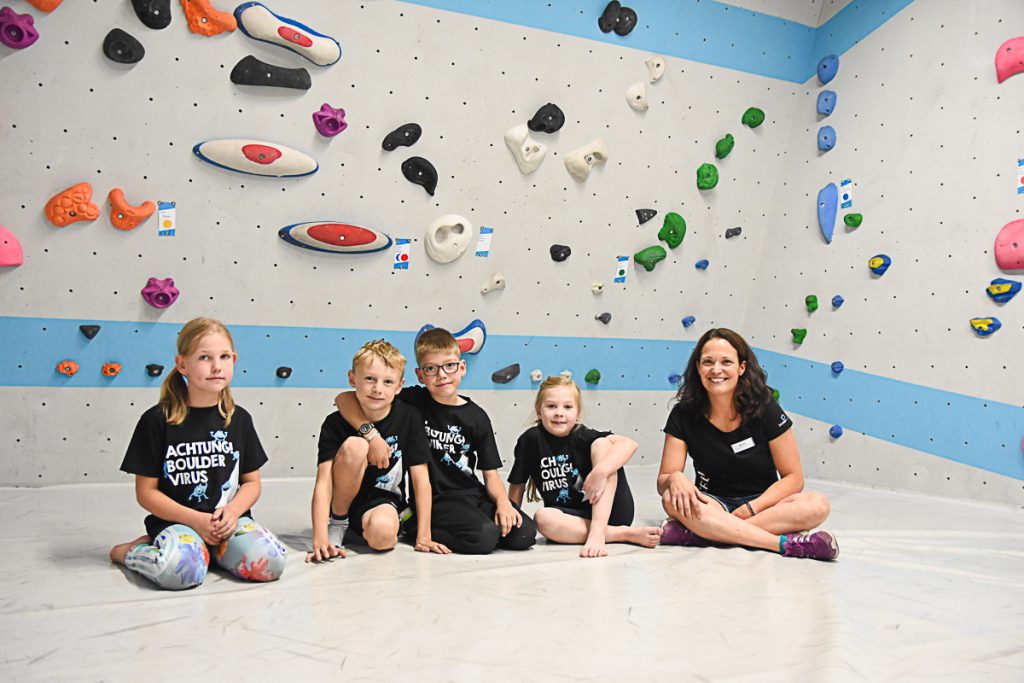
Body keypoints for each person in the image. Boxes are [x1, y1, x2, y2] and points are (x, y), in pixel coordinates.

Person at [110, 317, 287, 589]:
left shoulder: (238, 419)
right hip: (178, 522)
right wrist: (197, 521)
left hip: (227, 522)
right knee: (181, 574)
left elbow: (251, 483)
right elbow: (146, 493)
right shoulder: (157, 421)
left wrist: (232, 512)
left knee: (270, 563)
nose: (217, 366)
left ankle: (213, 551)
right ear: (182, 364)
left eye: (224, 356)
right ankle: (132, 551)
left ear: (234, 360)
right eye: (205, 357)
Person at [333, 328, 536, 554]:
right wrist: (371, 434)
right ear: (420, 376)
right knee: (484, 538)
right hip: (437, 499)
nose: (442, 375)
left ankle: (479, 526)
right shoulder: (413, 401)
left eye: (449, 365)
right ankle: (412, 525)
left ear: (462, 368)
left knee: (525, 533)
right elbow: (344, 398)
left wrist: (503, 503)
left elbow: (490, 474)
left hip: (471, 494)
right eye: (431, 369)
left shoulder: (477, 416)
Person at [657, 327, 839, 560]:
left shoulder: (765, 406)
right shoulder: (683, 413)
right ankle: (783, 545)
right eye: (708, 362)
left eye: (726, 362)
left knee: (817, 505)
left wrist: (752, 508)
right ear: (698, 368)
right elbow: (664, 481)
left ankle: (705, 534)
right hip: (712, 504)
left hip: (765, 505)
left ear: (741, 368)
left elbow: (794, 478)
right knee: (670, 499)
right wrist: (674, 478)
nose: (716, 370)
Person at [307, 339, 448, 562]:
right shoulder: (334, 422)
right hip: (342, 504)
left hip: (383, 502)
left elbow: (421, 479)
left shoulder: (409, 418)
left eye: (387, 382)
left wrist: (424, 535)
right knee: (357, 445)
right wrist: (319, 540)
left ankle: (382, 524)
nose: (377, 389)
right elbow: (323, 482)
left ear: (399, 386)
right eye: (370, 379)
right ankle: (340, 523)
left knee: (382, 537)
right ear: (352, 379)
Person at [507, 376, 662, 558]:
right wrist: (511, 518)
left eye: (567, 407)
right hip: (572, 519)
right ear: (539, 411)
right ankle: (621, 534)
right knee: (542, 518)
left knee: (602, 445)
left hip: (611, 510)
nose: (559, 413)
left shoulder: (583, 436)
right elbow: (518, 484)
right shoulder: (530, 440)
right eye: (551, 406)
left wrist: (600, 472)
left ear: (577, 413)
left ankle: (598, 534)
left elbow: (629, 443)